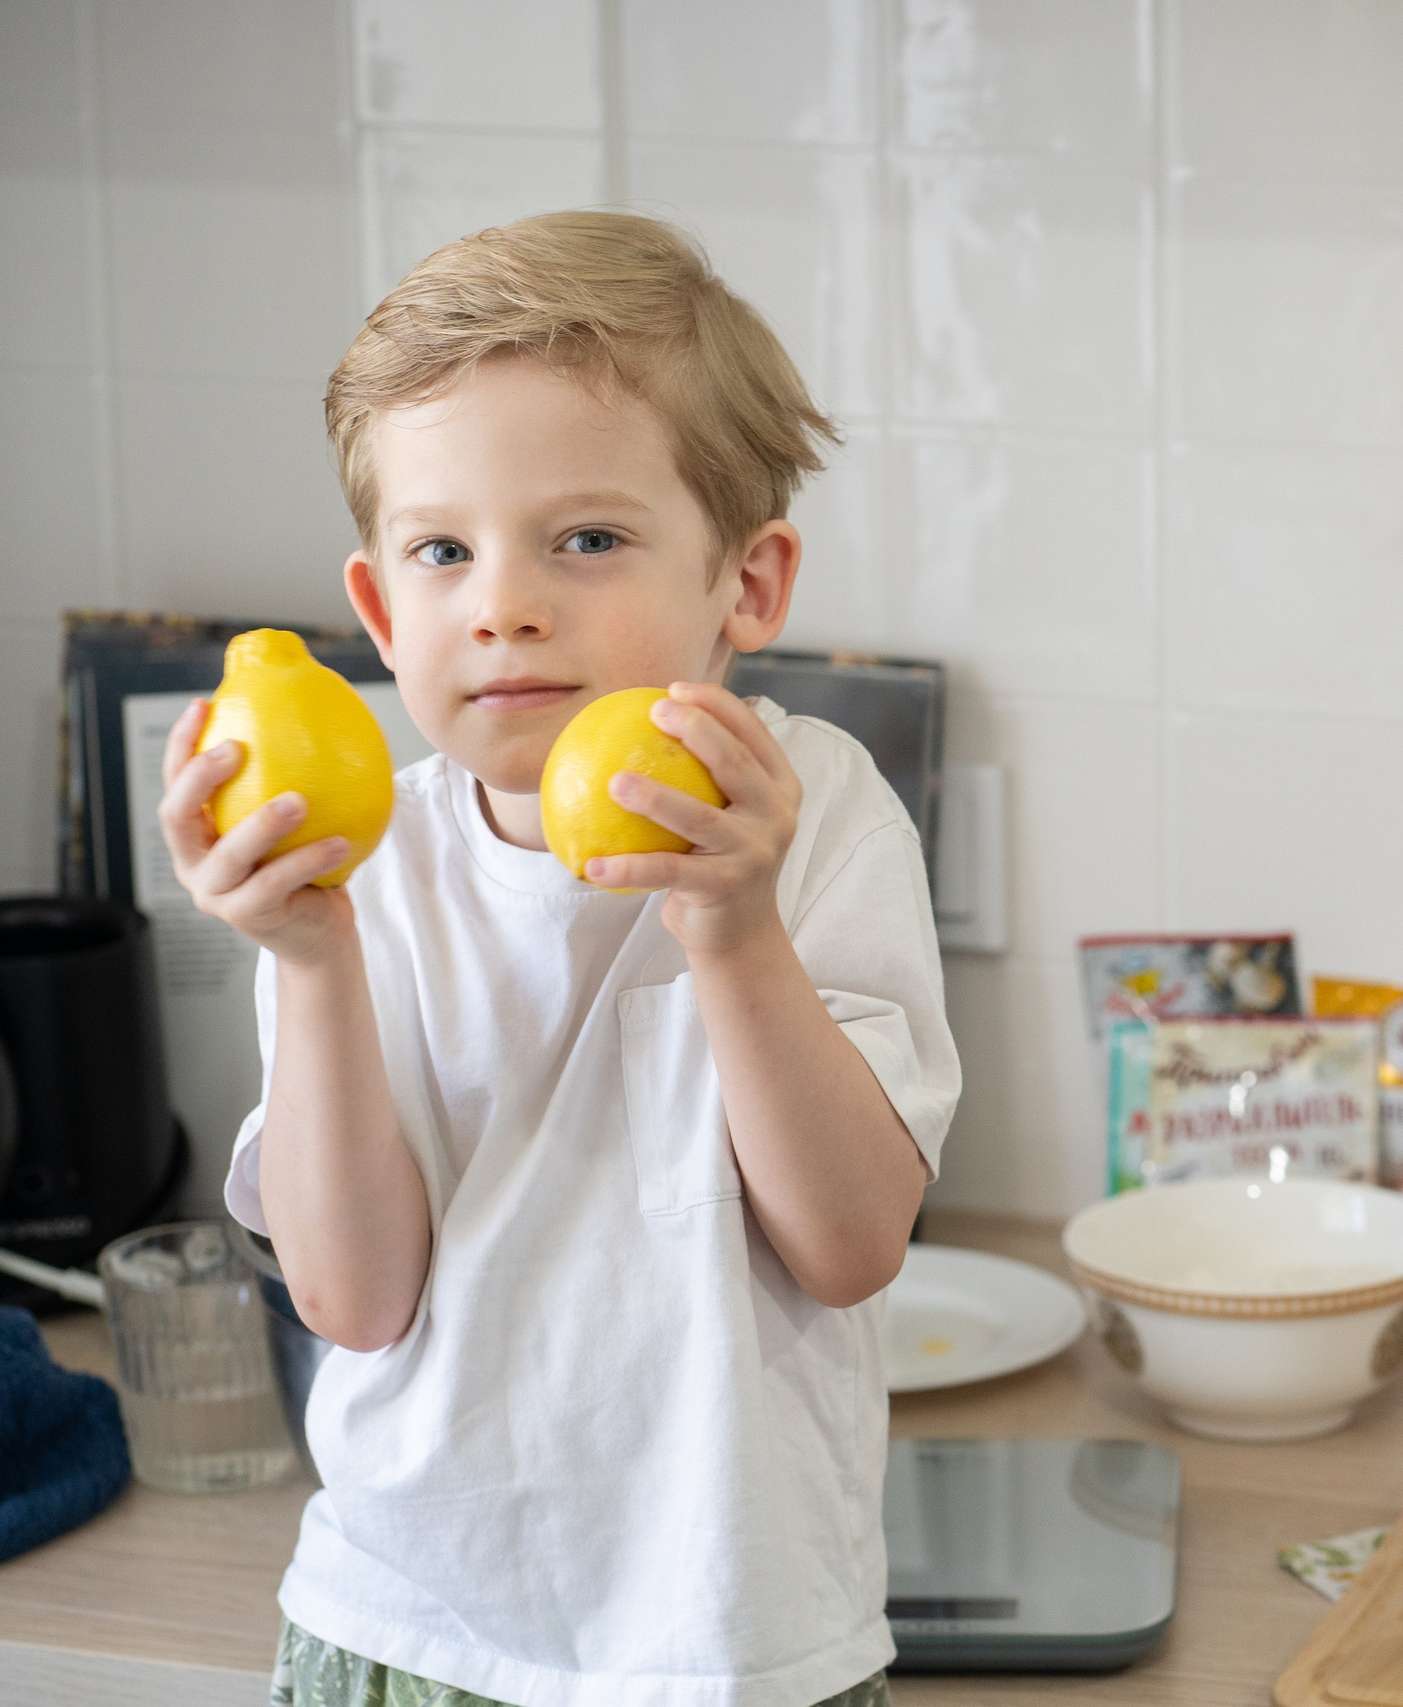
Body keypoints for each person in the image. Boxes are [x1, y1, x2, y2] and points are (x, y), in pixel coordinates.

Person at [154, 211, 958, 1707]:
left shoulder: (818, 819)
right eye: (444, 550)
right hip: (403, 1632)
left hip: (731, 1647)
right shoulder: (351, 862)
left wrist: (732, 929)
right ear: (384, 614)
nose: (503, 601)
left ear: (751, 585)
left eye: (586, 538)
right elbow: (353, 1302)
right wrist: (313, 962)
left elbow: (849, 1247)